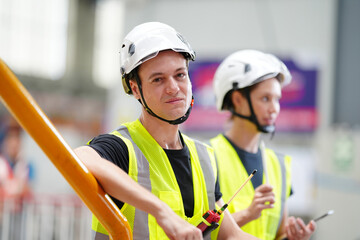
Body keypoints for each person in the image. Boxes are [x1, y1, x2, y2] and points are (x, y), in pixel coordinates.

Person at [74, 22, 259, 240]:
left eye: (180, 75)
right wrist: (162, 212)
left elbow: (231, 236)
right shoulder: (123, 148)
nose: (173, 88)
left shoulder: (204, 157)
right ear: (135, 89)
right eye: (158, 79)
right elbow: (80, 157)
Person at [210, 49, 316, 240]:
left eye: (277, 99)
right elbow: (198, 232)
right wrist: (247, 214)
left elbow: (279, 234)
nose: (274, 108)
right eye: (265, 98)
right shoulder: (207, 157)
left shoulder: (280, 165)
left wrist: (292, 237)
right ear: (238, 99)